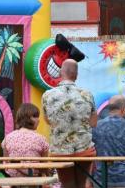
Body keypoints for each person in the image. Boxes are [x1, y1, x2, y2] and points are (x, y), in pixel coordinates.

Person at [42, 59, 98, 188]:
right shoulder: (87, 95)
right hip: (84, 151)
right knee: (82, 184)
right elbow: (94, 123)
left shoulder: (47, 95)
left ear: (61, 73)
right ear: (76, 75)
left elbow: (48, 121)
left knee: (67, 184)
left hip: (60, 151)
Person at [1, 103, 49, 177]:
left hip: (13, 181)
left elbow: (6, 162)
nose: (38, 120)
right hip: (34, 181)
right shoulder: (41, 139)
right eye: (35, 116)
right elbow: (44, 166)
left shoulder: (8, 138)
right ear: (27, 118)